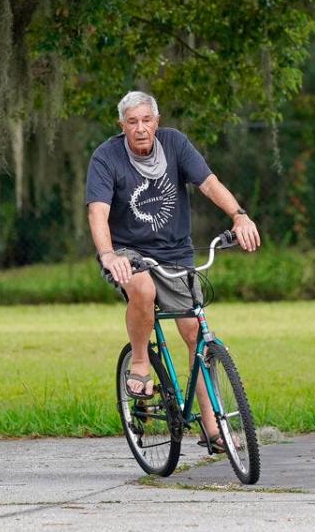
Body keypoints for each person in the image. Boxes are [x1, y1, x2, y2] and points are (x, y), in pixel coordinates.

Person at [85, 90, 260, 452]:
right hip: (127, 252)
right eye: (132, 122)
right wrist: (107, 255)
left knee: (196, 332)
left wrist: (238, 215)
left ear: (157, 122)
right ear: (122, 126)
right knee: (144, 291)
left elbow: (208, 183)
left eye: (147, 120)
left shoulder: (175, 144)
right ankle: (138, 362)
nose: (140, 128)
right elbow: (97, 212)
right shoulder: (106, 157)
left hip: (175, 252)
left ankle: (213, 430)